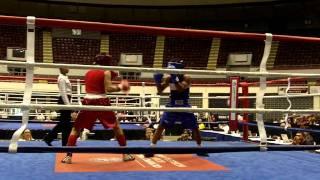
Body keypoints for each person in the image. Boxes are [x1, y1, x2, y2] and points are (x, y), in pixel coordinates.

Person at [61, 53, 135, 164]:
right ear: (107, 63)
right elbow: (109, 88)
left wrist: (114, 73)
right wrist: (120, 87)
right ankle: (125, 154)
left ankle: (68, 157)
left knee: (76, 128)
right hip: (101, 101)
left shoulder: (88, 72)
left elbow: (102, 77)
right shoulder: (106, 72)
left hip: (88, 100)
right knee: (116, 127)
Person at [145, 59, 208, 157]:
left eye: (172, 69)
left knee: (195, 128)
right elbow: (160, 91)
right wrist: (157, 82)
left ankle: (200, 148)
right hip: (172, 105)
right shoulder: (169, 78)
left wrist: (176, 79)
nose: (170, 71)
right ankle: (152, 148)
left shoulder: (187, 78)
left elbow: (181, 89)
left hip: (184, 106)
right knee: (161, 126)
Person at [43, 68, 73, 146]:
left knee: (64, 123)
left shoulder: (65, 77)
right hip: (64, 100)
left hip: (66, 100)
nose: (68, 68)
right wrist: (68, 105)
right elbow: (63, 92)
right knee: (65, 123)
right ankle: (60, 141)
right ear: (62, 69)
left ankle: (49, 138)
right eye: (65, 67)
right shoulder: (61, 78)